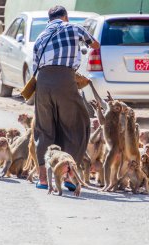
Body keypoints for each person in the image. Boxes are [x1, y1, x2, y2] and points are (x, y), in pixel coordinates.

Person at [33, 6, 100, 190]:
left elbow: (35, 67)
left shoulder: (40, 37)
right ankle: (69, 176)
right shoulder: (73, 28)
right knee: (76, 125)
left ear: (49, 20)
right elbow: (95, 45)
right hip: (65, 80)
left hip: (43, 83)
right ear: (66, 17)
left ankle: (43, 179)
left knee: (44, 129)